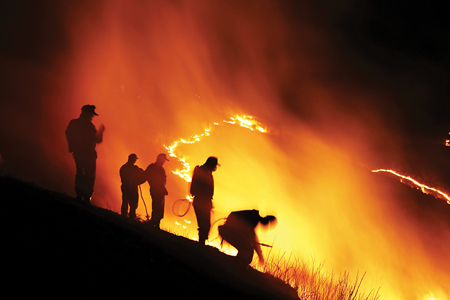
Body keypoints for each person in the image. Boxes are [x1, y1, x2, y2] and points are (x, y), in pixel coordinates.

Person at [65, 105, 105, 205]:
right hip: (88, 154)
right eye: (92, 114)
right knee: (89, 176)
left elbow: (68, 133)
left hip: (78, 153)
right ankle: (86, 198)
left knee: (80, 173)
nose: (92, 117)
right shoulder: (89, 126)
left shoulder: (74, 123)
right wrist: (100, 132)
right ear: (87, 113)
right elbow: (97, 140)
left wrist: (73, 147)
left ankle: (79, 195)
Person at [190, 156, 219, 245]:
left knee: (205, 224)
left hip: (203, 201)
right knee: (204, 224)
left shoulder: (205, 171)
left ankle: (201, 242)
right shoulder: (203, 172)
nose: (216, 167)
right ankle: (201, 243)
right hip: (201, 201)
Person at [144, 153, 169, 229]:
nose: (164, 162)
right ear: (160, 159)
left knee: (158, 207)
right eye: (164, 160)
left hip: (159, 190)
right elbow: (145, 176)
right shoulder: (154, 167)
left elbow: (144, 175)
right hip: (156, 190)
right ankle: (154, 223)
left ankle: (155, 222)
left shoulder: (157, 168)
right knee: (157, 206)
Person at [119, 153, 146, 219]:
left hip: (125, 187)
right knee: (133, 203)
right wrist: (137, 182)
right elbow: (143, 174)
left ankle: (123, 215)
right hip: (132, 188)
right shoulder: (135, 169)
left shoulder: (123, 167)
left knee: (125, 201)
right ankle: (131, 216)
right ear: (134, 160)